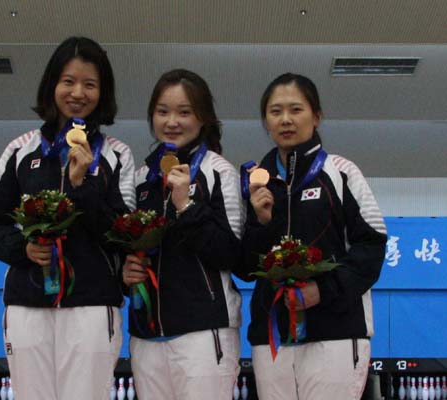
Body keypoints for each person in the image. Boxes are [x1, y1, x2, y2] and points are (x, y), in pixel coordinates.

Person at [0, 37, 135, 400]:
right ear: (52, 85)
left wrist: (82, 185)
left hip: (93, 305)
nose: (78, 92)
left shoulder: (117, 154)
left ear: (103, 92)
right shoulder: (21, 149)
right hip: (26, 302)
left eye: (90, 84)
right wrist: (23, 249)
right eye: (68, 81)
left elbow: (122, 233)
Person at [235, 73, 387, 400]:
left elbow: (371, 249)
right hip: (272, 337)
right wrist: (262, 224)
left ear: (316, 116)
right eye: (276, 111)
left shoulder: (342, 172)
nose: (286, 119)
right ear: (265, 120)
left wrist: (323, 289)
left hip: (335, 333)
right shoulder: (253, 183)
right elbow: (246, 267)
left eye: (296, 109)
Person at [122, 69, 244, 400]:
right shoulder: (140, 176)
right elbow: (127, 246)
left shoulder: (218, 172)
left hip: (204, 332)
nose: (172, 121)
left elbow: (233, 254)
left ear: (203, 117)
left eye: (184, 112)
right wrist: (126, 273)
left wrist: (186, 206)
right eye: (163, 111)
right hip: (145, 334)